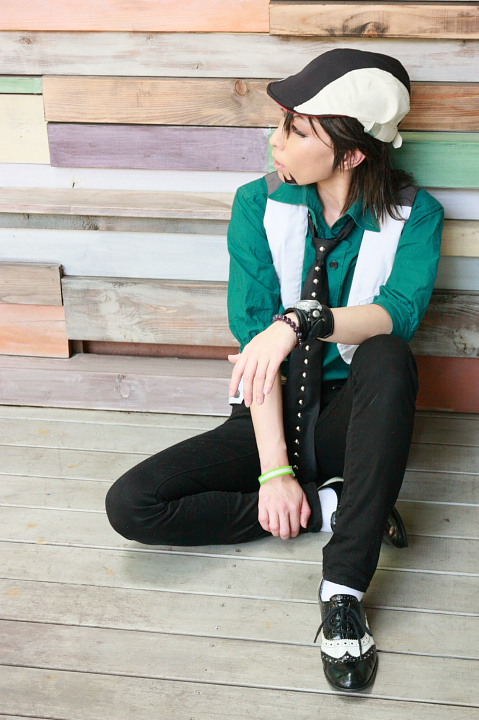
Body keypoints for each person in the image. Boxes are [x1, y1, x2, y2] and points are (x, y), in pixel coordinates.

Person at [105, 48, 444, 692]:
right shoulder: (255, 205)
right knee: (132, 504)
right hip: (268, 409)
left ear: (352, 154)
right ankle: (335, 506)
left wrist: (305, 320)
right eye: (282, 124)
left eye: (296, 130)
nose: (275, 141)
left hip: (352, 418)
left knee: (388, 355)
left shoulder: (415, 214)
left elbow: (397, 314)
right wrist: (275, 472)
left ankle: (343, 590)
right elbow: (252, 334)